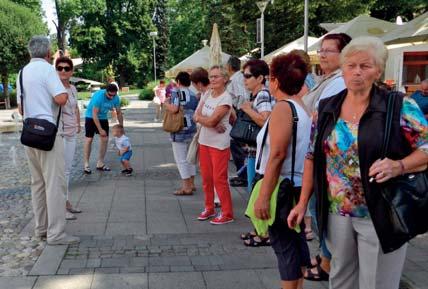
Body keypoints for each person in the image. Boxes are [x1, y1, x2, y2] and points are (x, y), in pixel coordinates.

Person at [288, 36, 428, 289]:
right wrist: (302, 203)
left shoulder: (398, 105)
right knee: (340, 279)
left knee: (376, 283)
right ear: (342, 68)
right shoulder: (327, 107)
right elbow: (311, 157)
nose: (357, 72)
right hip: (335, 212)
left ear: (378, 70)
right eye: (351, 65)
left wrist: (399, 165)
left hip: (382, 210)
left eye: (366, 66)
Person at [254, 52, 312, 289]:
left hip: (282, 186)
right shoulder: (301, 107)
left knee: (284, 245)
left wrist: (264, 196)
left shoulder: (282, 108)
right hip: (295, 184)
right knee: (295, 242)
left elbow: (277, 154)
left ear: (275, 80)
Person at [17, 35, 79, 245]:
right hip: (49, 134)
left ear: (30, 52)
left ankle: (41, 228)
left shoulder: (22, 72)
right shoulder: (47, 70)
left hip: (30, 134)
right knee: (55, 185)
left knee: (38, 184)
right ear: (48, 53)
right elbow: (61, 98)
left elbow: (21, 107)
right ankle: (56, 234)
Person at [300, 32, 352, 281]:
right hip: (319, 156)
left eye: (328, 50)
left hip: (333, 163)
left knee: (325, 212)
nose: (321, 54)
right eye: (321, 50)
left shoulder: (341, 81)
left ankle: (329, 262)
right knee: (319, 209)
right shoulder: (328, 79)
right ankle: (325, 258)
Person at [194, 65, 234, 225]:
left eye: (216, 76)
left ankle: (227, 212)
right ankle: (209, 207)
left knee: (220, 179)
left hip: (219, 144)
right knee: (206, 178)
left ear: (225, 79)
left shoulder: (226, 98)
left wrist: (208, 121)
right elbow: (197, 114)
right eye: (211, 77)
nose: (213, 79)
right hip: (204, 141)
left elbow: (207, 119)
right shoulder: (208, 93)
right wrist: (210, 122)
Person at [241, 59, 274, 192]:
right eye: (244, 75)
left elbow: (265, 120)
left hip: (258, 153)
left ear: (260, 78)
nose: (244, 79)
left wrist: (247, 109)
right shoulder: (255, 95)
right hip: (254, 151)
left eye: (248, 76)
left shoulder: (262, 95)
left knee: (254, 191)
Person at [55, 56, 82, 221]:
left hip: (72, 132)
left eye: (66, 68)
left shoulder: (72, 88)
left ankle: (66, 202)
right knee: (61, 171)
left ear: (71, 71)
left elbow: (76, 108)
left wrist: (78, 124)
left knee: (68, 170)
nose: (63, 71)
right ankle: (61, 206)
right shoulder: (55, 88)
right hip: (61, 133)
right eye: (60, 68)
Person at [164, 72, 199, 195]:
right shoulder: (193, 94)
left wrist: (166, 103)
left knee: (181, 159)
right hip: (192, 128)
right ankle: (192, 183)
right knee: (191, 158)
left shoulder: (176, 92)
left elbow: (174, 109)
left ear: (178, 82)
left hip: (179, 128)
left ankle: (186, 187)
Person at [83, 83, 123, 174]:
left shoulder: (116, 97)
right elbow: (94, 114)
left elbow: (119, 112)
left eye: (114, 95)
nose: (112, 97)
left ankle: (100, 163)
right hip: (91, 117)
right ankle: (86, 164)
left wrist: (121, 126)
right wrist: (100, 129)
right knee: (89, 139)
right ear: (106, 92)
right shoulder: (99, 96)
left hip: (103, 117)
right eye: (110, 95)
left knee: (105, 139)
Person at [226, 56, 250, 188]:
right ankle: (243, 173)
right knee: (240, 144)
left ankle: (243, 175)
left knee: (237, 144)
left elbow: (242, 96)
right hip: (242, 111)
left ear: (229, 67)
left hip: (240, 112)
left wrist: (239, 111)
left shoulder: (236, 79)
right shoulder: (240, 77)